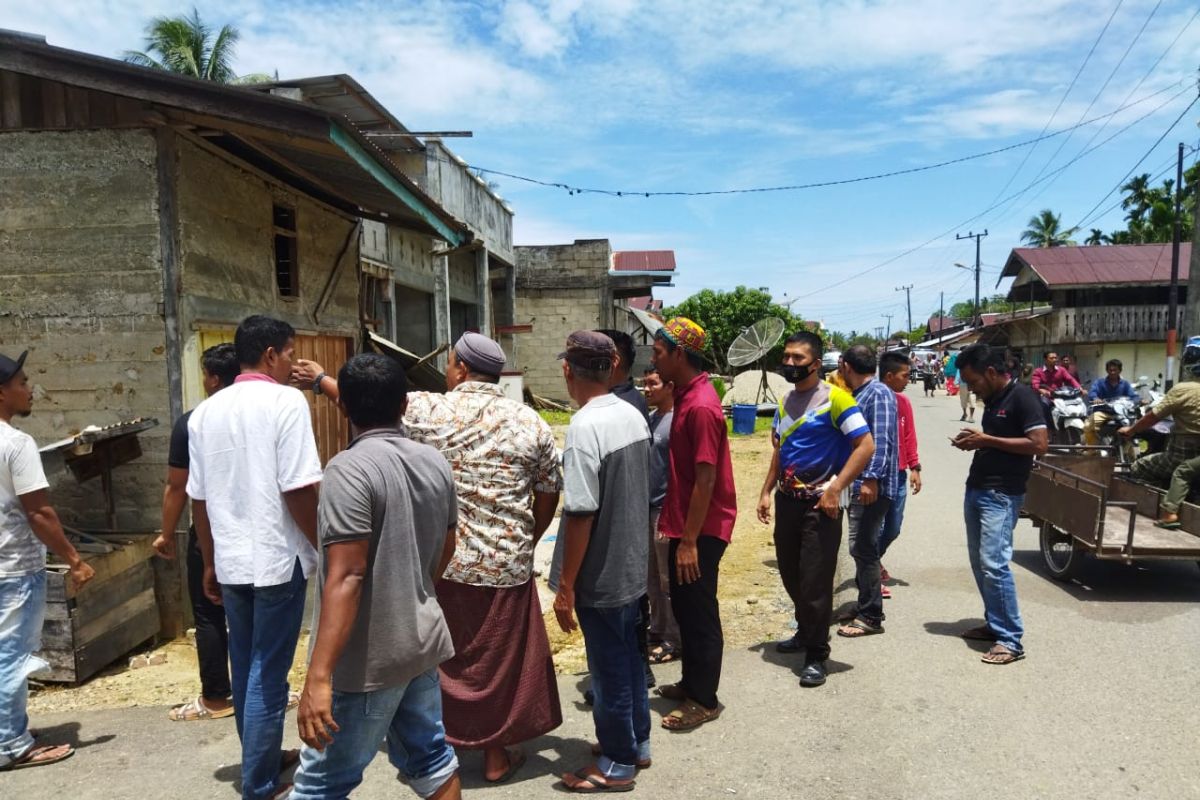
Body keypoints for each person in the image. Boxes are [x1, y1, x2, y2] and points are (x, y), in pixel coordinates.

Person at [293, 333, 563, 784]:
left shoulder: (429, 408)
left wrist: (321, 380)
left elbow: (367, 403)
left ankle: (440, 748)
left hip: (446, 563)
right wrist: (526, 538)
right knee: (495, 665)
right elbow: (549, 489)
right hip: (505, 565)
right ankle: (493, 755)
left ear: (458, 369)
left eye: (451, 363)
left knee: (449, 664)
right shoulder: (530, 421)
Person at [291, 354, 461, 800]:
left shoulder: (348, 469)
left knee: (319, 785)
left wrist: (320, 676)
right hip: (420, 641)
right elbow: (448, 545)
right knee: (432, 760)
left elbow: (347, 574)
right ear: (404, 405)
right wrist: (415, 589)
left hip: (366, 660)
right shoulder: (433, 461)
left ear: (342, 406)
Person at [188, 315, 323, 800]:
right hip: (275, 557)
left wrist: (208, 560)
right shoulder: (285, 402)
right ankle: (260, 785)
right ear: (270, 354)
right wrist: (323, 544)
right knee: (268, 672)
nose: (293, 364)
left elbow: (198, 499)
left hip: (231, 561)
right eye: (289, 354)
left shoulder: (206, 412)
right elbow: (298, 487)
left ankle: (260, 761)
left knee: (246, 665)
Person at [548, 331, 651, 793]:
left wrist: (566, 585)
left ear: (568, 370)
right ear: (611, 368)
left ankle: (617, 763)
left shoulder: (585, 428)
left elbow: (580, 513)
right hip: (631, 562)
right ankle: (636, 743)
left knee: (608, 669)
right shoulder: (631, 414)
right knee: (628, 658)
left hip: (603, 572)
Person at [755, 332, 874, 687]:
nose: (789, 363)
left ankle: (817, 654)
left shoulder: (837, 400)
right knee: (791, 574)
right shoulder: (785, 401)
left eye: (797, 358)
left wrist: (837, 488)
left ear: (815, 364)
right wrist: (765, 491)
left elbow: (865, 446)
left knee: (815, 581)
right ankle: (806, 632)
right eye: (787, 357)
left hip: (820, 506)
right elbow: (780, 450)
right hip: (787, 501)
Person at [0, 349, 96, 771]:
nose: (29, 389)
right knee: (11, 656)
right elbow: (39, 512)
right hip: (14, 568)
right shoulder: (16, 444)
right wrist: (74, 558)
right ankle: (10, 744)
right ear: (1, 393)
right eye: (22, 382)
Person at [650, 317, 737, 730]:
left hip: (701, 529)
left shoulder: (701, 405)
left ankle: (705, 699)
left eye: (659, 352)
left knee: (700, 612)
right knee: (684, 606)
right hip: (685, 524)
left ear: (679, 354)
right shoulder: (685, 394)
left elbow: (705, 478)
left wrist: (688, 542)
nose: (654, 360)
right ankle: (690, 682)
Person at [154, 344, 244, 722]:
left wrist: (165, 533)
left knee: (208, 614)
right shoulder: (263, 416)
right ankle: (260, 690)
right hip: (255, 531)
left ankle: (217, 698)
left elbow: (179, 487)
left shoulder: (193, 422)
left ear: (212, 378)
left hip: (210, 531)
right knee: (251, 613)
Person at [952, 344, 1047, 666]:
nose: (972, 389)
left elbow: (1039, 444)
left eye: (973, 381)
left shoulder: (1023, 397)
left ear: (991, 373)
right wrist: (975, 441)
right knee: (981, 564)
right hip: (978, 489)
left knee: (995, 564)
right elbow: (1001, 443)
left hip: (1001, 496)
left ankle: (1010, 639)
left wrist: (988, 441)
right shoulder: (992, 401)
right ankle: (995, 624)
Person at [836, 345, 897, 640]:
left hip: (873, 486)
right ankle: (864, 605)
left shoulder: (878, 393)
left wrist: (871, 479)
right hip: (858, 485)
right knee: (859, 548)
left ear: (846, 365)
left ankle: (871, 615)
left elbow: (881, 439)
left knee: (864, 547)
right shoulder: (860, 395)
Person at [643, 370, 681, 664]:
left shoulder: (677, 421)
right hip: (647, 508)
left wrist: (671, 515)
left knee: (668, 580)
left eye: (652, 383)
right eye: (644, 383)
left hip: (665, 511)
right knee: (651, 578)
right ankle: (656, 630)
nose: (646, 389)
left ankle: (674, 639)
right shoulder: (652, 419)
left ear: (669, 386)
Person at [878, 351, 922, 595]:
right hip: (876, 475)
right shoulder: (870, 399)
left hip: (900, 474)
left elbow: (909, 436)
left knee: (893, 527)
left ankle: (872, 559)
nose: (908, 380)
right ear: (889, 375)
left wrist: (915, 466)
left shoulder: (903, 402)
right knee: (872, 526)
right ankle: (871, 571)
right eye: (905, 375)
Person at [1119, 368, 1200, 491]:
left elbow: (1153, 417)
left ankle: (1156, 502)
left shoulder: (1183, 389)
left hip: (1184, 455)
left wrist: (1131, 431)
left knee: (1138, 467)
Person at [1083, 359, 1140, 445]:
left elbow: (1133, 396)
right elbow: (1093, 392)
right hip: (1103, 411)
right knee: (1087, 426)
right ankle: (1092, 449)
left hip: (1121, 413)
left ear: (1120, 370)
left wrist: (1138, 401)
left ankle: (1130, 455)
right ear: (1107, 370)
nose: (1112, 372)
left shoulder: (1125, 384)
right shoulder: (1100, 382)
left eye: (1115, 370)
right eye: (1110, 370)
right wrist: (1095, 398)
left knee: (1131, 430)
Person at [1031, 351, 1081, 430]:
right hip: (1047, 397)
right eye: (1051, 358)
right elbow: (1035, 385)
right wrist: (1041, 390)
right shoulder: (1038, 371)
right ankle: (1048, 429)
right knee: (1044, 405)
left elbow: (1071, 379)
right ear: (1045, 359)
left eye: (1055, 358)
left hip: (1060, 396)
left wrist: (1079, 388)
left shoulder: (1061, 370)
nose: (1054, 359)